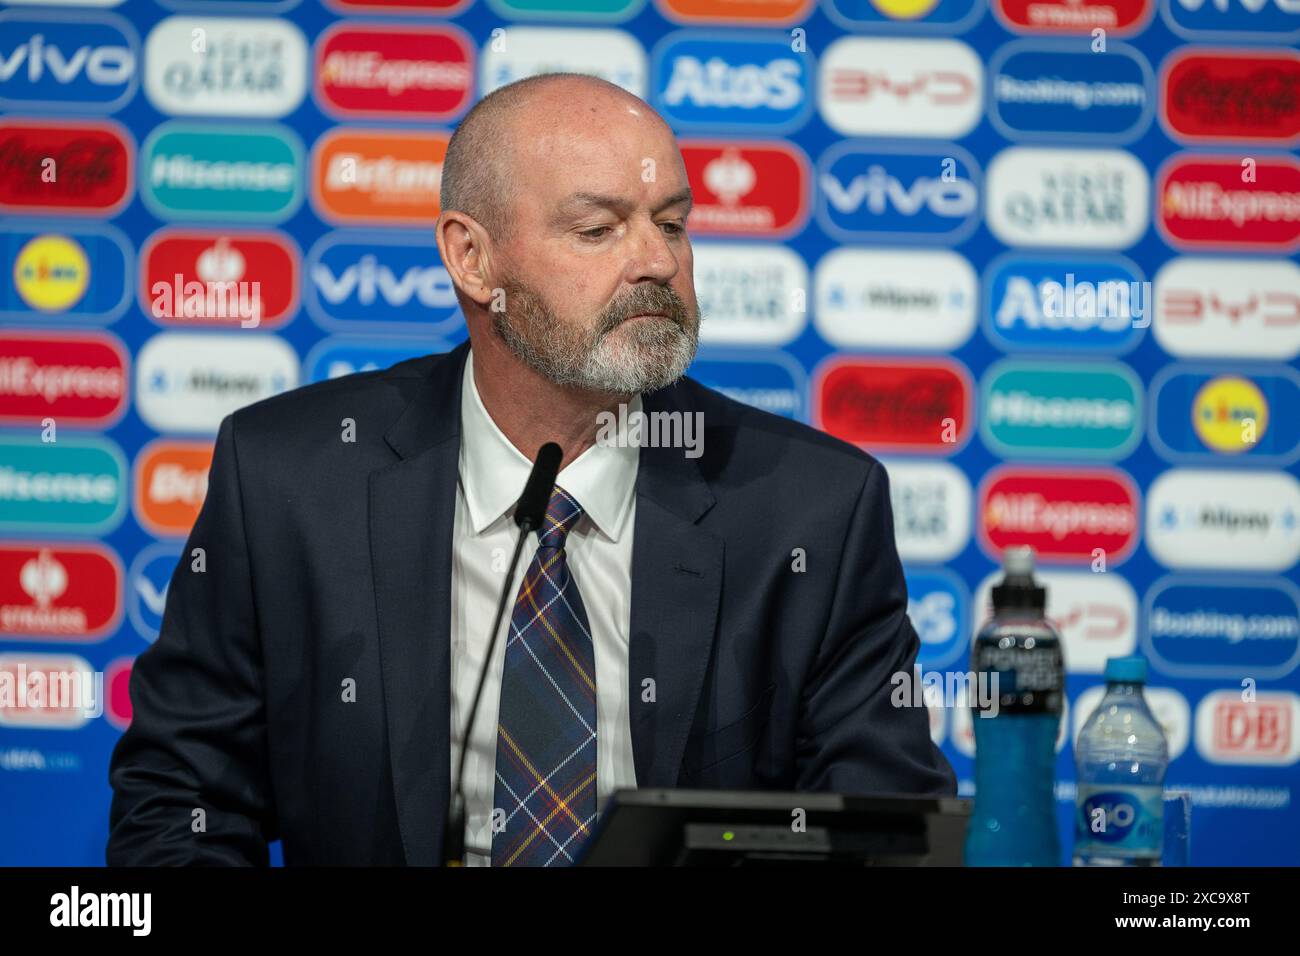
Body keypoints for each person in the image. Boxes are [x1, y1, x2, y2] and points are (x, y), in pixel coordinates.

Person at [107, 73, 955, 867]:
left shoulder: (812, 510)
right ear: (473, 260)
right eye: (598, 230)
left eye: (671, 223)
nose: (657, 262)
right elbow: (182, 797)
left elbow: (879, 828)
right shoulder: (289, 482)